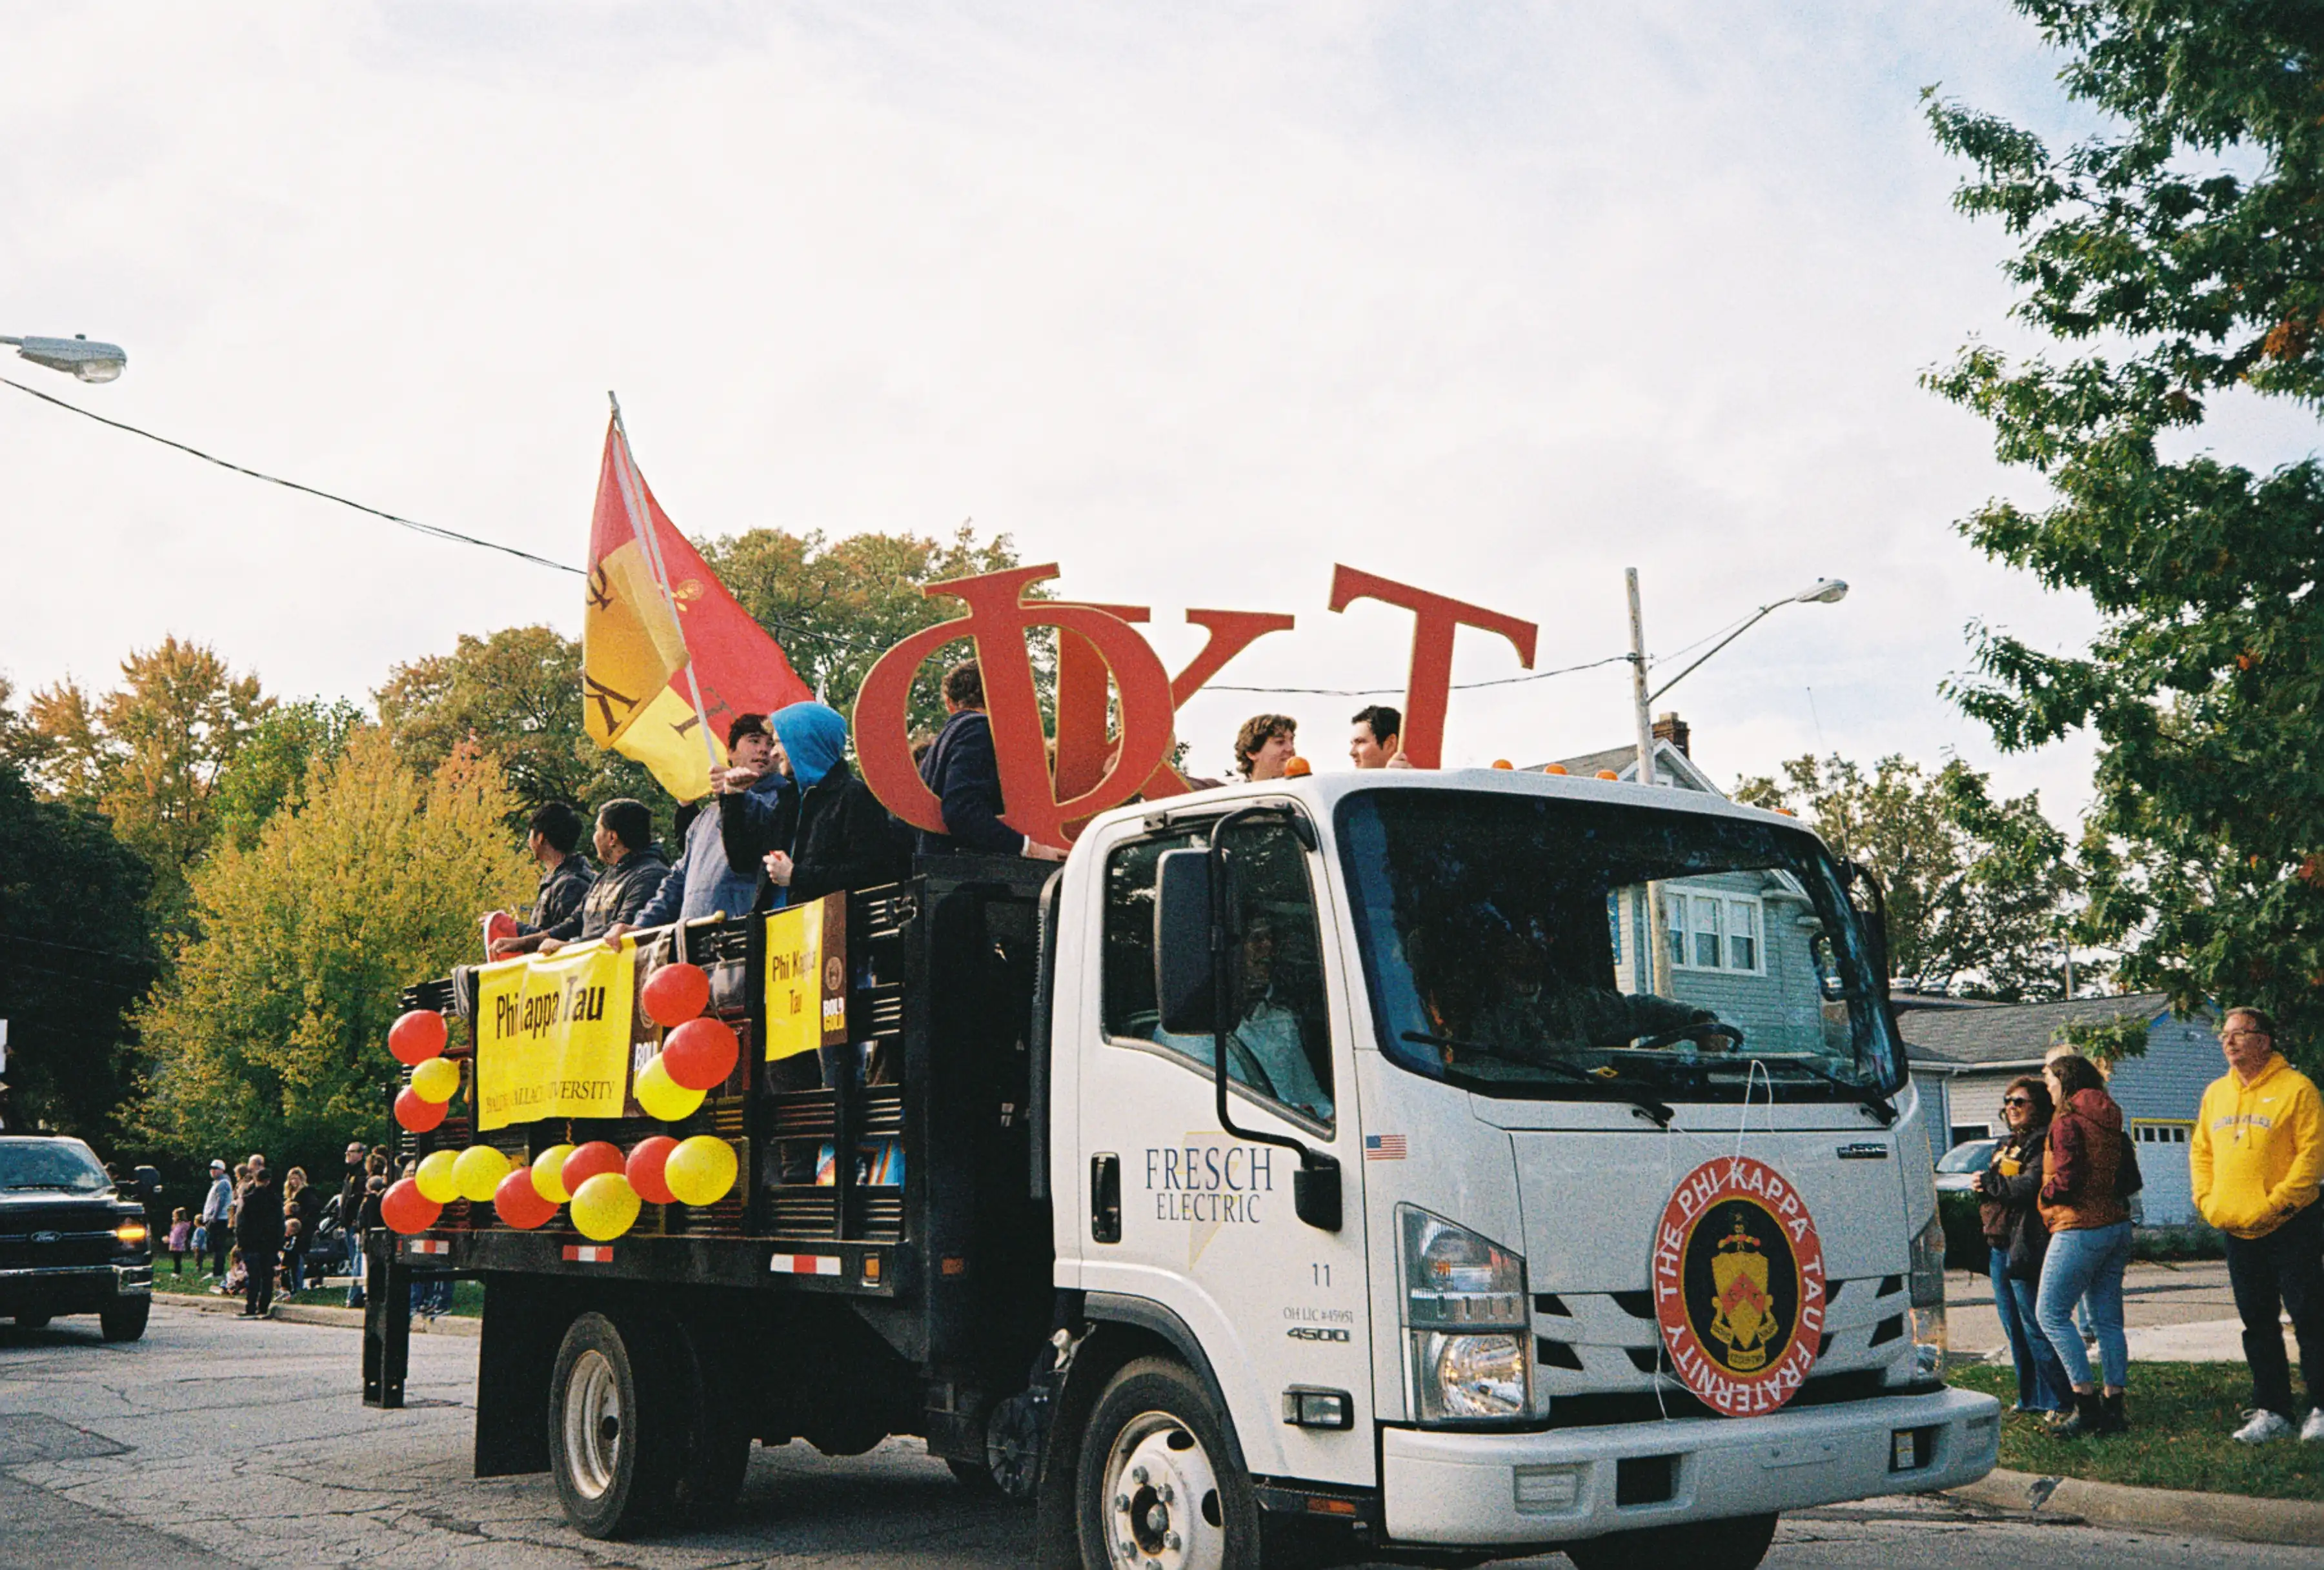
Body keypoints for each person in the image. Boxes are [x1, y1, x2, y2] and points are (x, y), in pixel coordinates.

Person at [2192, 1007, 2324, 1444]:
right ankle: (2272, 1410)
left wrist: (2277, 1204)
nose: (2228, 1042)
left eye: (2239, 1034)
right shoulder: (2215, 1094)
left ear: (2264, 1040)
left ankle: (2320, 1407)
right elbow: (2202, 1153)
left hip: (2291, 1223)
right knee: (2257, 1321)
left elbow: (2311, 1157)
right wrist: (2207, 1202)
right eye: (2224, 1035)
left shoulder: (2297, 1089)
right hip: (2237, 1228)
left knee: (2309, 1316)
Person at [611, 715, 788, 939]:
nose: (763, 750)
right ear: (730, 752)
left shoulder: (785, 800)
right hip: (695, 940)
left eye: (771, 743)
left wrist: (736, 796)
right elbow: (678, 879)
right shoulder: (703, 818)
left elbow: (764, 832)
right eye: (754, 741)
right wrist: (642, 924)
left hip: (742, 939)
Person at [2034, 1052, 2134, 1435]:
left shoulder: (2067, 1120)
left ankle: (2086, 1405)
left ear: (2064, 1078)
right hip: (2115, 1224)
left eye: (2049, 1078)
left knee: (2051, 1315)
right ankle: (2114, 1407)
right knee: (2108, 1320)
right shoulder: (2108, 1114)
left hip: (2079, 1226)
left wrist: (2045, 1195)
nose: (2047, 1086)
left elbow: (2069, 1178)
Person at [724, 701, 905, 911]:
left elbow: (872, 873)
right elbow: (742, 861)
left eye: (779, 742)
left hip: (823, 935)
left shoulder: (854, 797)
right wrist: (733, 797)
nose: (773, 753)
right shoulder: (789, 801)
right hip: (778, 932)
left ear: (804, 742)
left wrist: (796, 876)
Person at [1976, 1076, 2072, 1416]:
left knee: (2035, 1324)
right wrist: (1991, 1186)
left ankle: (2061, 1398)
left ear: (2039, 1106)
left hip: (2026, 1242)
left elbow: (2029, 1186)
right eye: (2008, 1101)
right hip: (1998, 1243)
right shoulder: (2005, 1143)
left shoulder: (2041, 1143)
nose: (2012, 1107)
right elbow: (2003, 1186)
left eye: (2020, 1101)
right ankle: (2030, 1395)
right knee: (2013, 1327)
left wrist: (1989, 1183)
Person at [909, 661, 1068, 861]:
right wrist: (1031, 849)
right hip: (975, 878)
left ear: (950, 704)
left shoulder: (942, 744)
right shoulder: (979, 731)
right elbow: (962, 811)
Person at [521, 801, 672, 954]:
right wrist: (524, 942)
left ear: (612, 837)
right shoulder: (604, 876)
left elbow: (620, 930)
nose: (594, 837)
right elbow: (576, 922)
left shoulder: (651, 877)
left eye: (597, 830)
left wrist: (571, 946)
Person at [489, 802, 598, 958]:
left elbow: (561, 939)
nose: (528, 842)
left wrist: (512, 928)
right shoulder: (558, 879)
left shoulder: (572, 884)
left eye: (530, 834)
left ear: (540, 838)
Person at [235, 1157, 285, 1319]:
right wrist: (279, 1243)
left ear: (256, 1180)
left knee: (254, 1276)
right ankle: (263, 1306)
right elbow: (280, 1224)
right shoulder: (276, 1201)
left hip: (250, 1243)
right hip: (269, 1244)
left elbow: (240, 1222)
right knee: (267, 1276)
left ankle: (250, 1306)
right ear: (269, 1181)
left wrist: (241, 1242)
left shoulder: (248, 1200)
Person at [1234, 714, 1297, 781]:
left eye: (1292, 741)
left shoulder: (1303, 787)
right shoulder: (1237, 791)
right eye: (1280, 742)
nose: (1291, 748)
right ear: (1252, 753)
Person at [199, 1158, 234, 1280]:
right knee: (215, 1246)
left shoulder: (223, 1183)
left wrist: (214, 1217)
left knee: (218, 1246)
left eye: (215, 1169)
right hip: (215, 1218)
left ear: (222, 1170)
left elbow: (221, 1200)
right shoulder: (217, 1183)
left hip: (219, 1219)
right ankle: (216, 1271)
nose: (212, 1171)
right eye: (211, 1169)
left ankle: (218, 1272)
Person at [1349, 705, 1402, 769]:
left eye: (1360, 742)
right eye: (1353, 744)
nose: (1352, 753)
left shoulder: (1414, 778)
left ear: (1390, 744)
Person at [166, 1207, 192, 1278]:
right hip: (177, 1244)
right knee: (176, 1259)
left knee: (177, 1260)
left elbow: (177, 1235)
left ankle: (177, 1272)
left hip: (178, 1245)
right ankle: (176, 1272)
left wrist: (171, 1241)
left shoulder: (181, 1226)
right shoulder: (178, 1225)